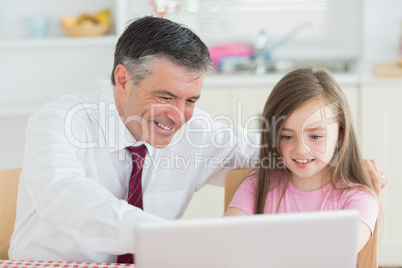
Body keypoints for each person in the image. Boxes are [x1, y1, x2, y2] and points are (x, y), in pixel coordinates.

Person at [9, 16, 385, 263]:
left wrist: (343, 159)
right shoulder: (60, 120)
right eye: (165, 97)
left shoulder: (197, 131)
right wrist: (170, 238)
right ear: (123, 80)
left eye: (191, 100)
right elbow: (65, 197)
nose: (179, 115)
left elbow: (278, 149)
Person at [224, 68, 380, 253]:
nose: (300, 149)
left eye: (315, 136)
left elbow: (334, 255)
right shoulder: (256, 186)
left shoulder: (358, 198)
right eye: (287, 137)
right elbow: (227, 244)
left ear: (339, 136)